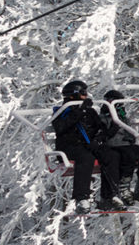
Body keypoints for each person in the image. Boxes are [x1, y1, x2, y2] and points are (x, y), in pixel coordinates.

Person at [51, 80, 123, 213]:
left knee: (112, 155)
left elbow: (99, 128)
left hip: (88, 145)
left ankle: (109, 196)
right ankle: (81, 198)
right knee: (86, 157)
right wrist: (80, 110)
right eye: (83, 93)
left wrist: (101, 137)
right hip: (70, 147)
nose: (86, 95)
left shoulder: (89, 112)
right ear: (73, 95)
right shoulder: (62, 111)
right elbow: (61, 127)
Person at [100, 89, 139, 204]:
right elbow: (104, 133)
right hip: (113, 146)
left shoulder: (122, 115)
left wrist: (130, 137)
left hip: (125, 144)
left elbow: (127, 130)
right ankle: (123, 188)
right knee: (129, 156)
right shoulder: (104, 116)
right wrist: (113, 128)